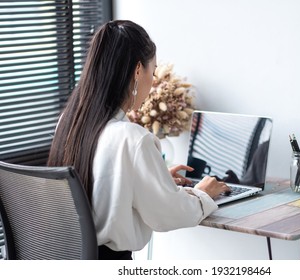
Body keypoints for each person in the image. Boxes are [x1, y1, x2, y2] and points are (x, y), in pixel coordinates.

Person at [47, 20, 230, 260]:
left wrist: (155, 177)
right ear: (137, 70)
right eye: (152, 72)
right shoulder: (132, 138)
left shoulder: (68, 123)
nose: (153, 82)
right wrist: (202, 193)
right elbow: (168, 214)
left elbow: (96, 184)